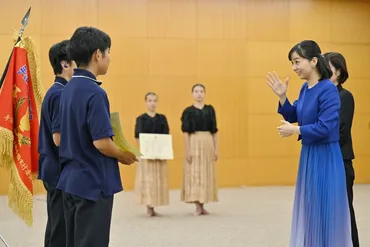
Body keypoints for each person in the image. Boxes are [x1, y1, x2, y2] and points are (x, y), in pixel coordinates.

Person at [266, 40, 352, 247]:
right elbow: (295, 113)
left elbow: (327, 127)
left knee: (326, 210)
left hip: (326, 156)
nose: (294, 68)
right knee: (311, 208)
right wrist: (282, 96)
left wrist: (295, 130)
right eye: (292, 63)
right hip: (309, 155)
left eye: (297, 62)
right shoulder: (306, 88)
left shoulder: (328, 89)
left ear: (314, 61)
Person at [56, 26, 137, 247]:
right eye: (108, 52)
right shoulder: (95, 92)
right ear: (97, 54)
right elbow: (101, 143)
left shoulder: (68, 88)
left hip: (71, 180)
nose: (110, 58)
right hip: (92, 182)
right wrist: (123, 155)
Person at [38, 40, 76, 247]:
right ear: (65, 64)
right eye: (76, 61)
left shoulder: (57, 90)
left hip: (53, 168)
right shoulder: (61, 94)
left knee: (56, 224)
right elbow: (59, 138)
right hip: (58, 169)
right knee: (60, 227)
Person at [324, 52, 359, 247]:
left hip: (340, 160)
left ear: (338, 71)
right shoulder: (320, 95)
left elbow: (342, 131)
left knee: (344, 211)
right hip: (323, 160)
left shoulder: (345, 96)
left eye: (327, 67)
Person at [180, 84, 219, 215]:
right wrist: (187, 150)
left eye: (201, 91)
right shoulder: (188, 111)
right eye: (196, 91)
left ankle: (202, 204)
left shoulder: (210, 110)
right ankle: (197, 205)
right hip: (194, 141)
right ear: (192, 94)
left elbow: (214, 131)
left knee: (206, 173)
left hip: (208, 141)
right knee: (195, 173)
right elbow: (185, 132)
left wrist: (216, 148)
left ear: (205, 93)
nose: (199, 94)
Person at [134, 92, 170, 216]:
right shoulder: (141, 119)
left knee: (157, 179)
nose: (152, 103)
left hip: (159, 153)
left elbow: (166, 136)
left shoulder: (162, 118)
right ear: (145, 102)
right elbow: (138, 137)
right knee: (148, 179)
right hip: (147, 153)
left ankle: (154, 205)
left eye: (154, 100)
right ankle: (149, 207)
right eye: (149, 100)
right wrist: (142, 151)